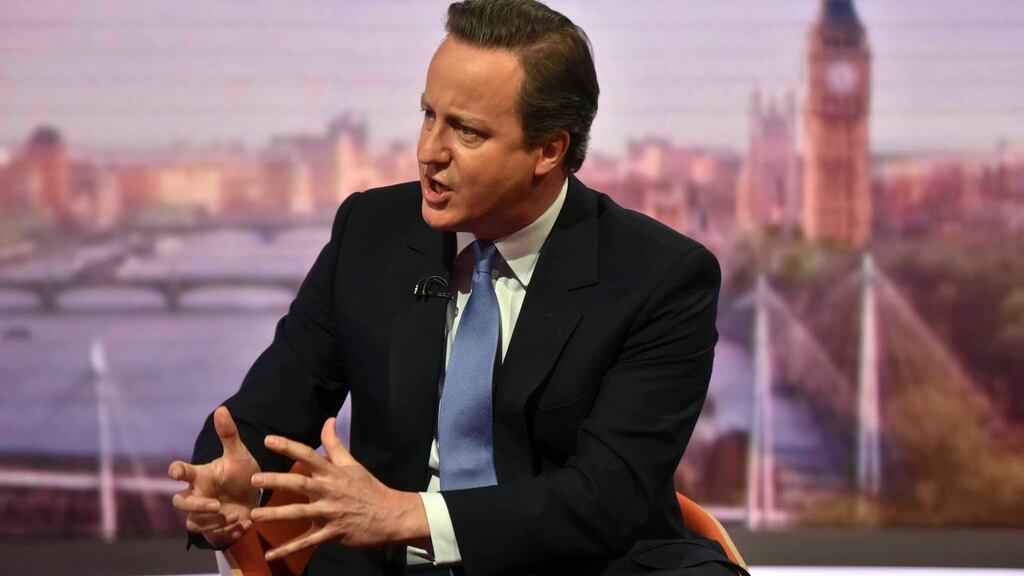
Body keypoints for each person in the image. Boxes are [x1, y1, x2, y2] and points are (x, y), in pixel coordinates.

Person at [168, 1, 732, 574]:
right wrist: (220, 481)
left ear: (548, 150)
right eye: (428, 115)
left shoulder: (660, 278)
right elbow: (264, 415)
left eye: (465, 131)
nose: (428, 153)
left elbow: (606, 497)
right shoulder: (370, 233)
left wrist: (412, 515)